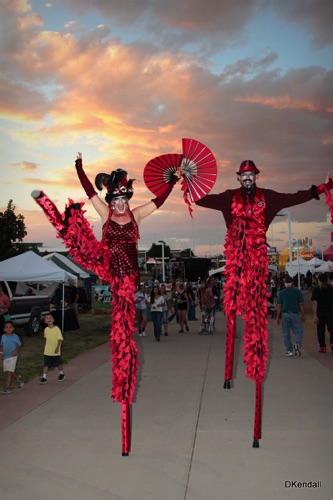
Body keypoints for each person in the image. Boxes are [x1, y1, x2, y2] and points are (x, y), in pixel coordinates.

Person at [32, 152, 180, 455]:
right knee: (78, 236)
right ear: (111, 198)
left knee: (123, 335)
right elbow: (88, 191)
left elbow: (159, 202)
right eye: (116, 198)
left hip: (128, 282)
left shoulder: (137, 215)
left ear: (128, 198)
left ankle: (125, 385)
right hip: (107, 264)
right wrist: (79, 168)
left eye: (125, 197)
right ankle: (52, 211)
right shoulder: (106, 214)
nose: (120, 202)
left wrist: (173, 183)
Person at [193, 159, 333, 446]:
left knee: (256, 321)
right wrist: (186, 182)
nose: (247, 178)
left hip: (256, 265)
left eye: (250, 175)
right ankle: (228, 373)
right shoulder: (227, 198)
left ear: (255, 176)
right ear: (239, 176)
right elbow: (201, 198)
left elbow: (295, 197)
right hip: (235, 262)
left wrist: (322, 187)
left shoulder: (267, 197)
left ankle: (255, 381)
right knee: (231, 308)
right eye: (243, 175)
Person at [276, 276, 304, 357]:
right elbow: (301, 304)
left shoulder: (281, 292)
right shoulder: (297, 292)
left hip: (285, 314)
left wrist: (278, 317)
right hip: (295, 313)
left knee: (286, 333)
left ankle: (289, 351)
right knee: (298, 331)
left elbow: (279, 305)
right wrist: (303, 314)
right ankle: (297, 344)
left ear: (285, 284)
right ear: (293, 283)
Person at [40, 311, 65, 384]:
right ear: (45, 321)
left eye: (50, 318)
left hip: (55, 350)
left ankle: (61, 373)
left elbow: (59, 339)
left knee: (58, 363)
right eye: (47, 318)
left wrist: (57, 347)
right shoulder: (46, 330)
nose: (49, 319)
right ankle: (44, 377)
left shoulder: (56, 329)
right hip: (47, 350)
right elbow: (46, 339)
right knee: (46, 364)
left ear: (53, 320)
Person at [311, 273, 333, 354]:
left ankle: (322, 347)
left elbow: (314, 303)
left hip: (320, 313)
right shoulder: (331, 288)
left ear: (318, 280)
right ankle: (332, 343)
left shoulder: (316, 289)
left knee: (320, 331)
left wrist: (315, 315)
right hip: (330, 312)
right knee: (332, 330)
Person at [0, 320, 24, 394]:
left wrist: (16, 351)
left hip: (13, 356)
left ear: (13, 328)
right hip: (5, 356)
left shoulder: (15, 337)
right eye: (6, 327)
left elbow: (19, 345)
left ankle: (8, 387)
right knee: (9, 371)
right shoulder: (3, 337)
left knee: (9, 371)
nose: (9, 329)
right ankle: (19, 381)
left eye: (10, 327)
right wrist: (1, 352)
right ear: (4, 329)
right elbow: (1, 345)